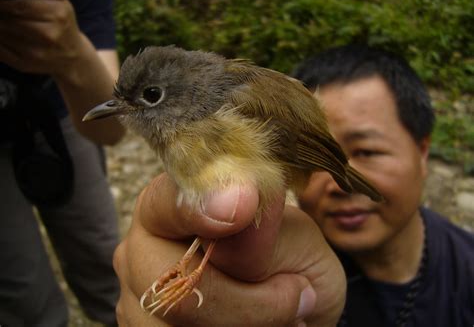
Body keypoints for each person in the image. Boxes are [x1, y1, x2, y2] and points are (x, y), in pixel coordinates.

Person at [112, 45, 474, 327]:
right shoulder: (191, 127)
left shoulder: (228, 112)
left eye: (370, 149)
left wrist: (337, 166)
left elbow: (291, 160)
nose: (337, 190)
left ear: (423, 151)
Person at [0, 0, 124, 326]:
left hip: (61, 113)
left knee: (104, 256)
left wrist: (71, 52)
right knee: (19, 288)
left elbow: (113, 129)